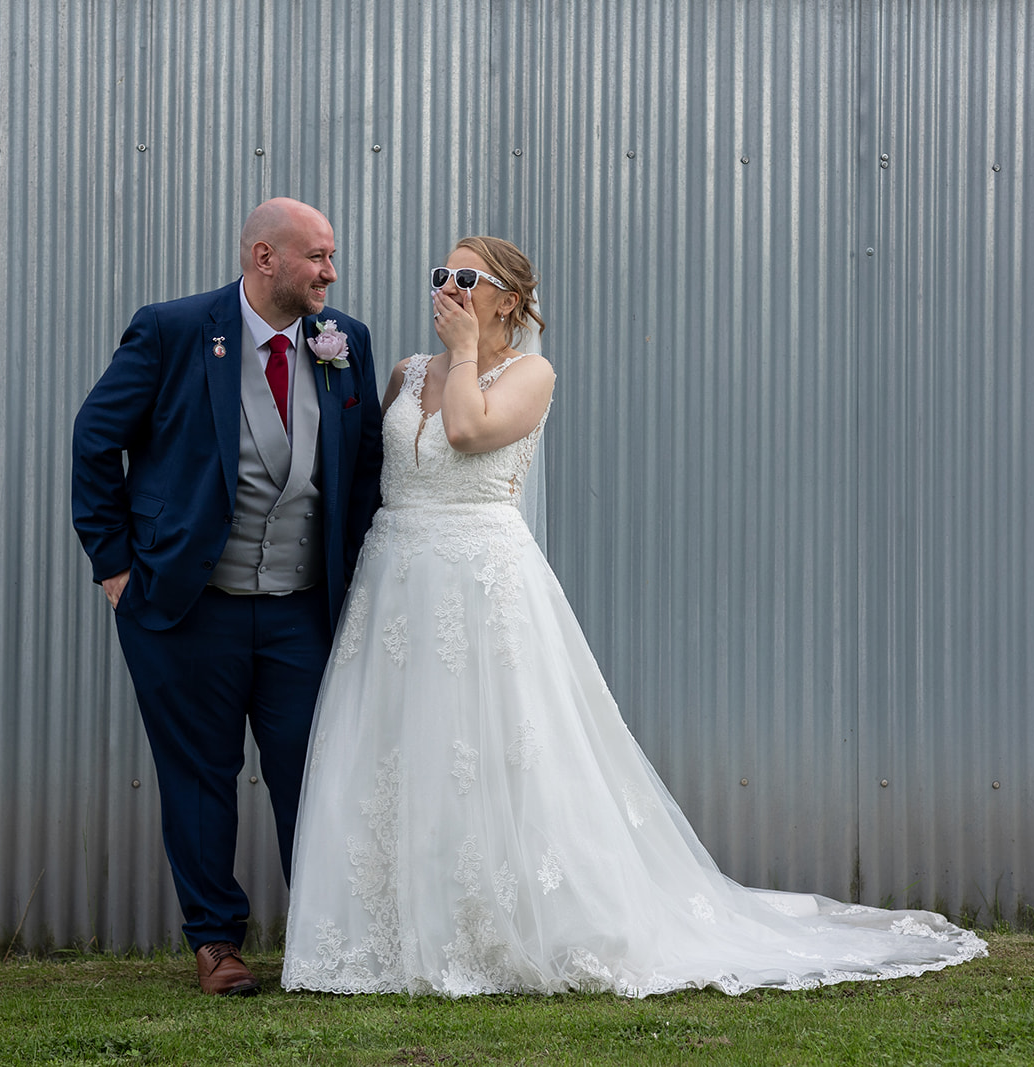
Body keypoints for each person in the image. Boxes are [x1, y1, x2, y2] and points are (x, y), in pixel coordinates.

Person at [280, 236, 985, 997]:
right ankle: (391, 932)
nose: (447, 287)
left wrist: (459, 352)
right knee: (396, 751)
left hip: (481, 584)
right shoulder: (404, 373)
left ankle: (503, 929)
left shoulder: (531, 374)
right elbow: (372, 471)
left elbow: (468, 433)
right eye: (440, 273)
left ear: (508, 299)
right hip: (395, 583)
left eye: (466, 277)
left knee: (489, 753)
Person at [73, 198, 383, 996]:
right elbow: (94, 438)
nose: (331, 271)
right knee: (200, 774)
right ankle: (217, 943)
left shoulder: (346, 341)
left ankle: (323, 936)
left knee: (310, 770)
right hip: (185, 606)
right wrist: (115, 564)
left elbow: (364, 473)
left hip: (301, 608)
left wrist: (356, 583)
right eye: (316, 256)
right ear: (263, 257)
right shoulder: (173, 330)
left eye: (332, 254)